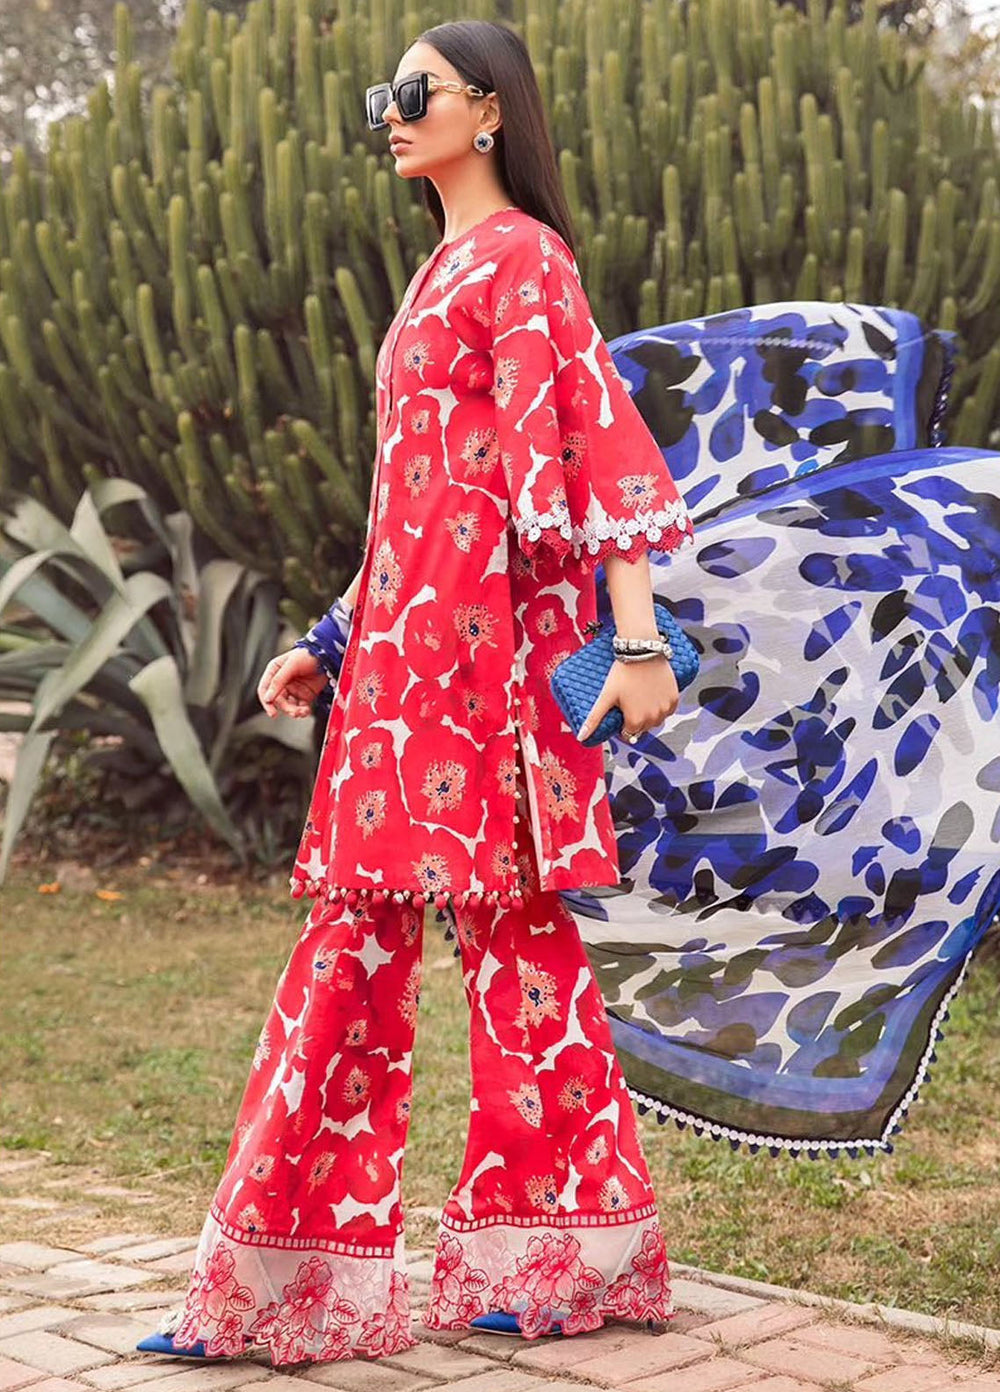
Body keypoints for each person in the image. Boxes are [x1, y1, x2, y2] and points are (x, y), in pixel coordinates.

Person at [137, 18, 694, 1367]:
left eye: (415, 91)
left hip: (494, 681)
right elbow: (420, 505)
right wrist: (333, 640)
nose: (389, 114)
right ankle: (313, 1275)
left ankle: (504, 1267)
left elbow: (594, 448)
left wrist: (637, 648)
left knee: (512, 955)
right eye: (382, 97)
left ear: (490, 109)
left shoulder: (524, 259)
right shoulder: (442, 267)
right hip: (402, 679)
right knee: (370, 943)